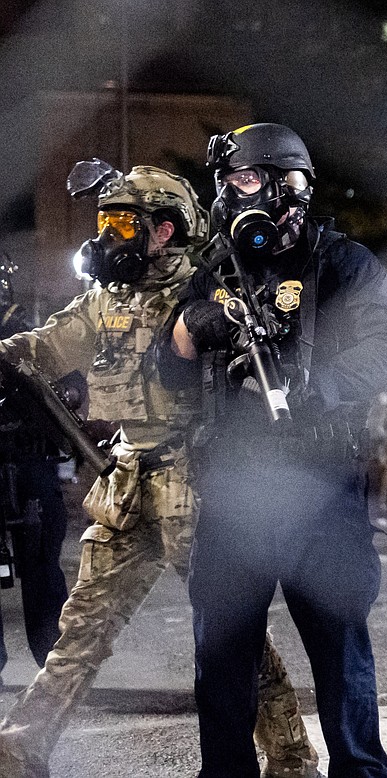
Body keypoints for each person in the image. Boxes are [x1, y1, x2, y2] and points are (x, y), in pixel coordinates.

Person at [0, 162, 319, 778]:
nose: (107, 237)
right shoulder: (105, 299)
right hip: (127, 475)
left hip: (195, 476)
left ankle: (291, 755)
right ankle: (22, 747)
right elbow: (46, 346)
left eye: (122, 223)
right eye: (105, 222)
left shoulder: (206, 290)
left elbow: (257, 364)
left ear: (165, 230)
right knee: (83, 626)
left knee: (234, 627)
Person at [160, 123, 387, 777]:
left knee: (341, 652)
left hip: (320, 485)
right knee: (221, 658)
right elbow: (168, 371)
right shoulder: (214, 273)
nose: (233, 198)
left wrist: (316, 384)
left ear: (284, 186)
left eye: (244, 182)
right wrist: (189, 328)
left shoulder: (343, 263)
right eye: (227, 187)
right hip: (234, 490)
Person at [0, 257, 70, 683]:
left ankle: (56, 666)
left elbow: (66, 384)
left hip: (28, 458)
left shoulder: (23, 328)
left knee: (42, 563)